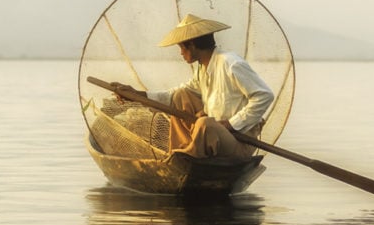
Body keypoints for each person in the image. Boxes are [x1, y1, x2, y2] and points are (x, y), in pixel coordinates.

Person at [111, 14, 274, 159]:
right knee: (181, 96)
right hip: (216, 135)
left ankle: (189, 154)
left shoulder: (231, 63)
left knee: (205, 124)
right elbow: (172, 96)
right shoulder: (203, 68)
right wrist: (137, 94)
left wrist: (231, 124)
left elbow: (265, 96)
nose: (181, 53)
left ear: (192, 45)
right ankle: (182, 150)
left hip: (239, 140)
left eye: (182, 47)